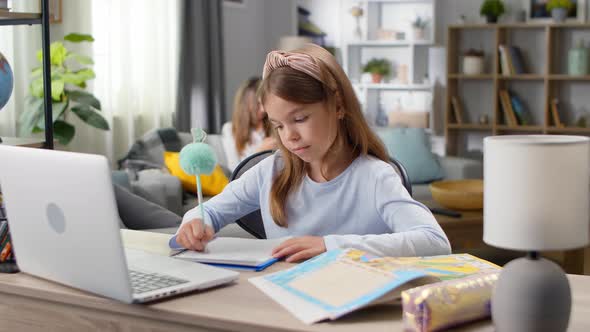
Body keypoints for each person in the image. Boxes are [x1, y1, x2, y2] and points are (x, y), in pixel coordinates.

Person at [175, 44, 451, 262]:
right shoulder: (272, 171)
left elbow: (435, 241)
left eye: (300, 119)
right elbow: (209, 211)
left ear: (338, 106)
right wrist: (195, 221)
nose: (289, 136)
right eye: (279, 126)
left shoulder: (375, 176)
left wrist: (330, 246)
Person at [227, 77, 276, 167]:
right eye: (257, 104)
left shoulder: (274, 123)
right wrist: (259, 152)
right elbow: (234, 169)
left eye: (264, 103)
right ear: (246, 104)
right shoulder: (229, 129)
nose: (263, 109)